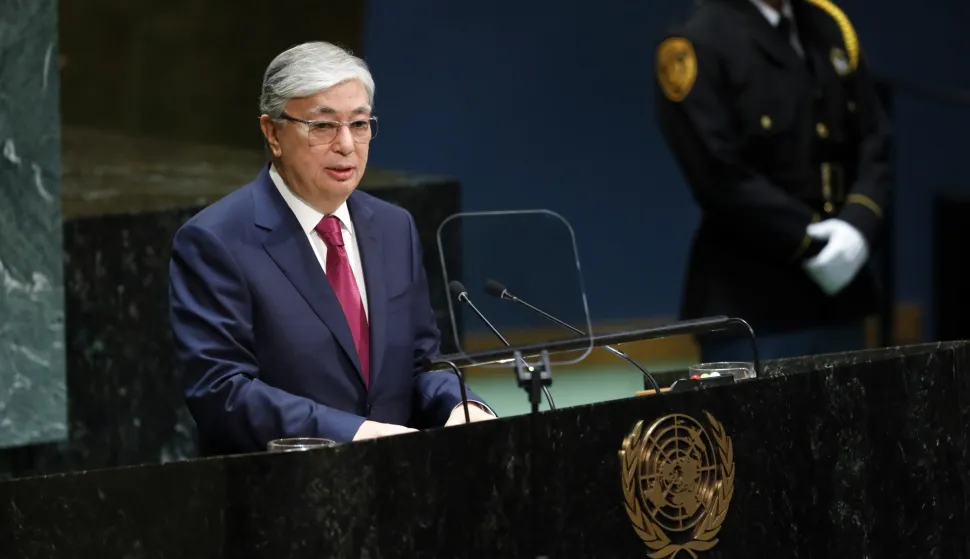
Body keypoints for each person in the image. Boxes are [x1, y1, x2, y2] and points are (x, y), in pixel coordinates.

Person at [168, 41, 495, 455]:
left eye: (359, 124)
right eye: (323, 126)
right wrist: (354, 434)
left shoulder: (394, 228)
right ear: (273, 133)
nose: (346, 145)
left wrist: (459, 403)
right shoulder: (216, 240)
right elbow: (221, 392)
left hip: (399, 489)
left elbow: (419, 364)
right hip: (281, 494)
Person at [654, 0, 892, 361]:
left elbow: (875, 138)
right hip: (753, 301)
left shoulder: (828, 26)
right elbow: (718, 175)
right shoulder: (698, 39)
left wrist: (858, 225)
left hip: (840, 296)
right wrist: (809, 239)